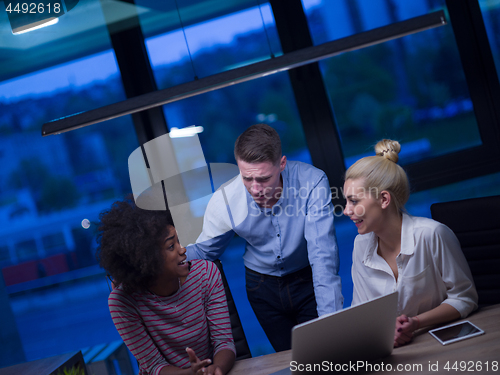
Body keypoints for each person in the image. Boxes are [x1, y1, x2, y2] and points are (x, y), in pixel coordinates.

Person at [187, 123, 343, 352]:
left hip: (307, 279)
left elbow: (323, 257)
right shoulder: (225, 201)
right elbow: (204, 252)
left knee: (328, 352)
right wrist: (160, 259)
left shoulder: (312, 182)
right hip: (262, 288)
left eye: (263, 178)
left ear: (282, 164)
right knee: (294, 361)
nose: (255, 188)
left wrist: (332, 323)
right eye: (247, 178)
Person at [343, 139, 478, 347]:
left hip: (443, 343)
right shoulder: (360, 245)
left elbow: (464, 298)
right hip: (392, 350)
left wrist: (415, 323)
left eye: (354, 201)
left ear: (384, 200)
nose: (346, 210)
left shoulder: (432, 234)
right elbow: (361, 314)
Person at [96, 197, 236, 375]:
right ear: (146, 258)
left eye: (179, 240)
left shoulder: (206, 274)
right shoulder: (123, 302)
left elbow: (224, 342)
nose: (183, 249)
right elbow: (154, 366)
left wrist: (216, 370)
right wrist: (192, 373)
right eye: (171, 246)